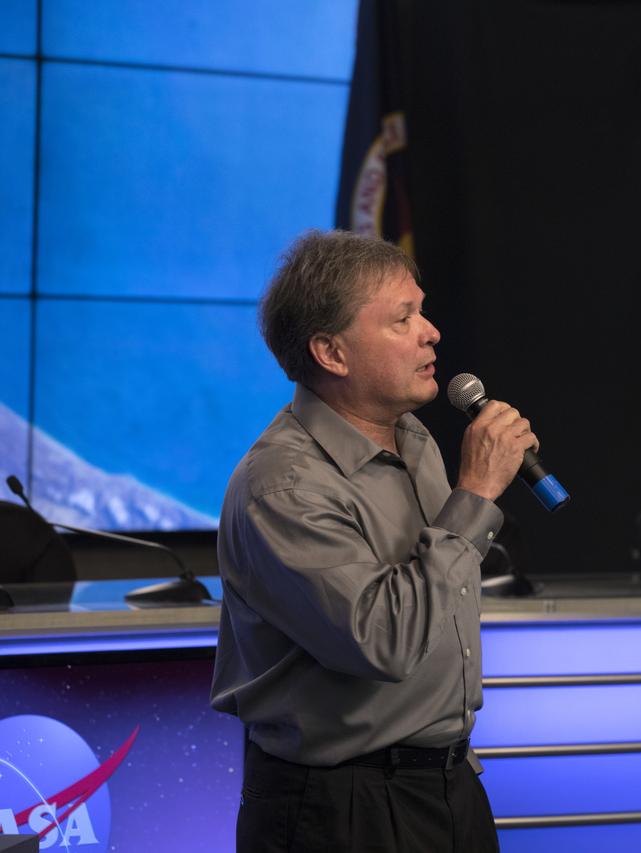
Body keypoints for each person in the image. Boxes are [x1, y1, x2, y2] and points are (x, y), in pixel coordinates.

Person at [211, 230, 537, 852]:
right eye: (403, 318)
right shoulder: (282, 485)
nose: (432, 331)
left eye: (422, 310)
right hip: (342, 807)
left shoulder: (414, 440)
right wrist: (474, 496)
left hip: (446, 785)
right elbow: (382, 642)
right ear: (332, 353)